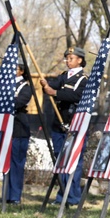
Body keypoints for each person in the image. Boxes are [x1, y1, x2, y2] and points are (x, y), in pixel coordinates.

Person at [39, 47, 87, 205]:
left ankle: (73, 197)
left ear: (79, 60)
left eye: (71, 58)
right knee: (60, 160)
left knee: (73, 161)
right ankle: (61, 196)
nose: (67, 61)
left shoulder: (84, 79)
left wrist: (56, 93)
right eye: (66, 58)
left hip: (74, 124)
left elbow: (77, 95)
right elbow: (52, 85)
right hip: (58, 124)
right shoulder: (64, 76)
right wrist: (45, 84)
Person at [4, 64, 33, 204]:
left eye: (15, 68)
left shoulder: (25, 87)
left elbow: (19, 102)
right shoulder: (5, 84)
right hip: (5, 127)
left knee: (16, 163)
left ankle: (14, 196)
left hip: (18, 128)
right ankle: (6, 194)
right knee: (6, 163)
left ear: (21, 71)